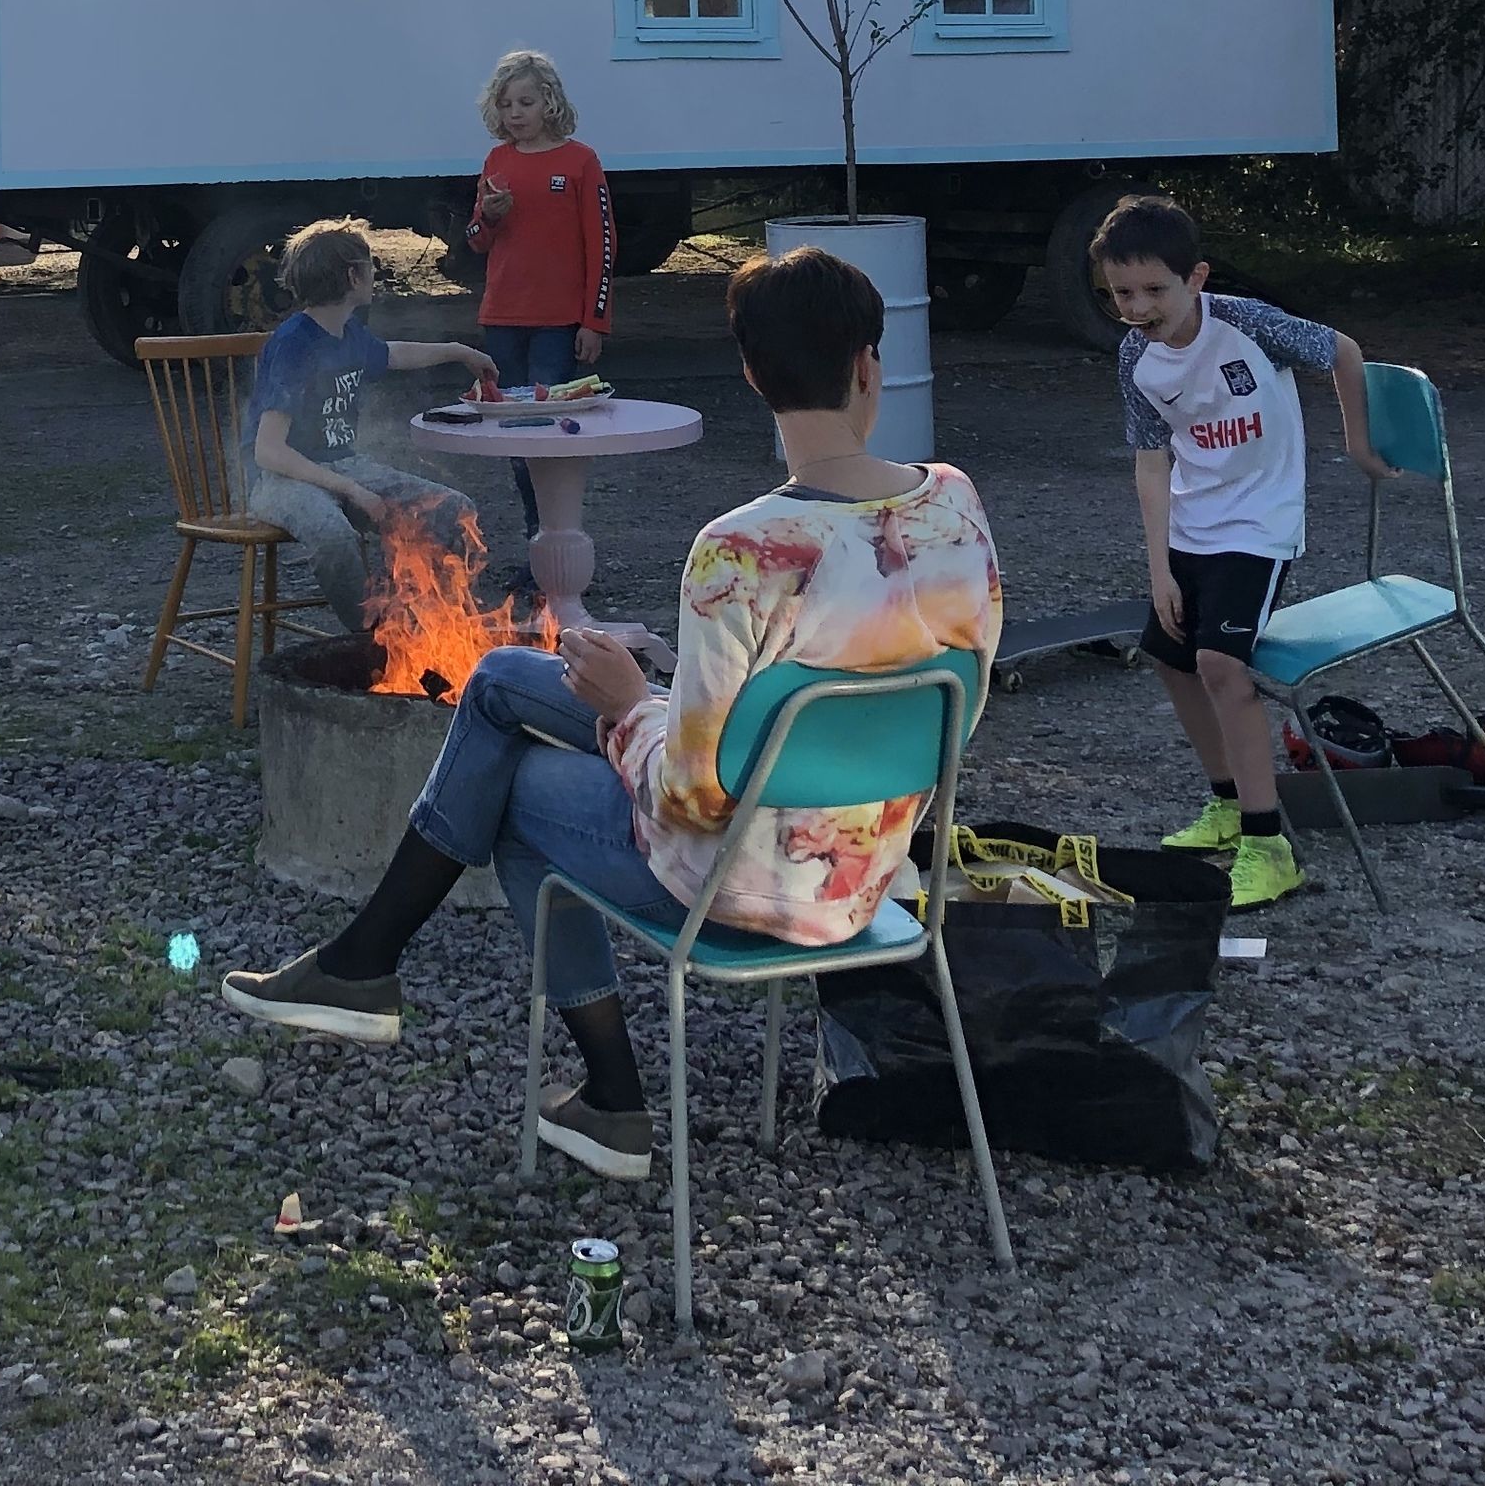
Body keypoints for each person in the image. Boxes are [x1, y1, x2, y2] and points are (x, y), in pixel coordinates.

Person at [221, 246, 1001, 1183]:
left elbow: (693, 800)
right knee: (506, 676)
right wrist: (658, 702)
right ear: (870, 367)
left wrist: (633, 708)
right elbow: (936, 708)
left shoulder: (742, 551)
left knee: (511, 794)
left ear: (752, 374)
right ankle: (388, 982)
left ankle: (570, 1071)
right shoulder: (954, 505)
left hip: (746, 884)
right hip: (872, 874)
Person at [1089, 192, 1389, 912]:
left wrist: (1357, 445)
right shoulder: (1135, 356)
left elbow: (1341, 350)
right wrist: (1159, 565)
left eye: (1154, 290)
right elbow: (1151, 462)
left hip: (1259, 524)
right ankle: (1227, 802)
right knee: (1169, 656)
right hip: (1193, 524)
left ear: (1195, 278)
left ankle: (1268, 844)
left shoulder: (1246, 323)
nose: (1138, 306)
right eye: (1121, 293)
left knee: (1223, 665)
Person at [245, 222, 500, 636]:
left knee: (453, 509)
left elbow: (392, 354)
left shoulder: (347, 332)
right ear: (352, 276)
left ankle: (439, 627)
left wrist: (459, 351)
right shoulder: (295, 344)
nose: (375, 273)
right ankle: (372, 639)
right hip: (281, 478)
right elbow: (269, 451)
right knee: (334, 536)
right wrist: (352, 490)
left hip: (344, 465)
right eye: (371, 265)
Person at [466, 47, 614, 543]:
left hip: (558, 320)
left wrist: (595, 320)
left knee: (549, 428)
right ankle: (538, 539)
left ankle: (559, 537)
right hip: (503, 316)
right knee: (513, 430)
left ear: (549, 103)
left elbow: (603, 243)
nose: (515, 115)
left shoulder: (580, 161)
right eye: (506, 105)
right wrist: (489, 214)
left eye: (525, 103)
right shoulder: (497, 160)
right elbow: (475, 239)